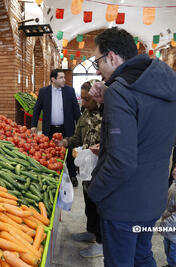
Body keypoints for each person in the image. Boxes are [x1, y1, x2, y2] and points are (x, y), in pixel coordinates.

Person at [87, 27, 176, 266]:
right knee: (142, 255)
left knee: (120, 261)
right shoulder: (163, 82)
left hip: (123, 203)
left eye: (98, 61)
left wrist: (95, 192)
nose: (98, 69)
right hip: (152, 197)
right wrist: (108, 96)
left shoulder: (122, 91)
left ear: (112, 56)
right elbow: (146, 123)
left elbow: (122, 161)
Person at [59, 80, 103, 257]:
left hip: (103, 168)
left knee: (100, 205)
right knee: (89, 201)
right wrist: (65, 142)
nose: (83, 103)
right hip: (87, 167)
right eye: (82, 99)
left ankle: (101, 243)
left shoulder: (111, 113)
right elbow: (77, 138)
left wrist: (104, 146)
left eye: (87, 99)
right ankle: (91, 232)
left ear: (98, 97)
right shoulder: (85, 113)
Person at [31, 69, 81, 185]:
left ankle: (73, 176)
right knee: (49, 152)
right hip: (50, 128)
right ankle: (50, 176)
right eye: (61, 77)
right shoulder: (44, 92)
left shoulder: (70, 91)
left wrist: (79, 128)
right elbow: (37, 108)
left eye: (64, 77)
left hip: (67, 128)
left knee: (69, 153)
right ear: (53, 79)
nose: (64, 79)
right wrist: (33, 125)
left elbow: (76, 111)